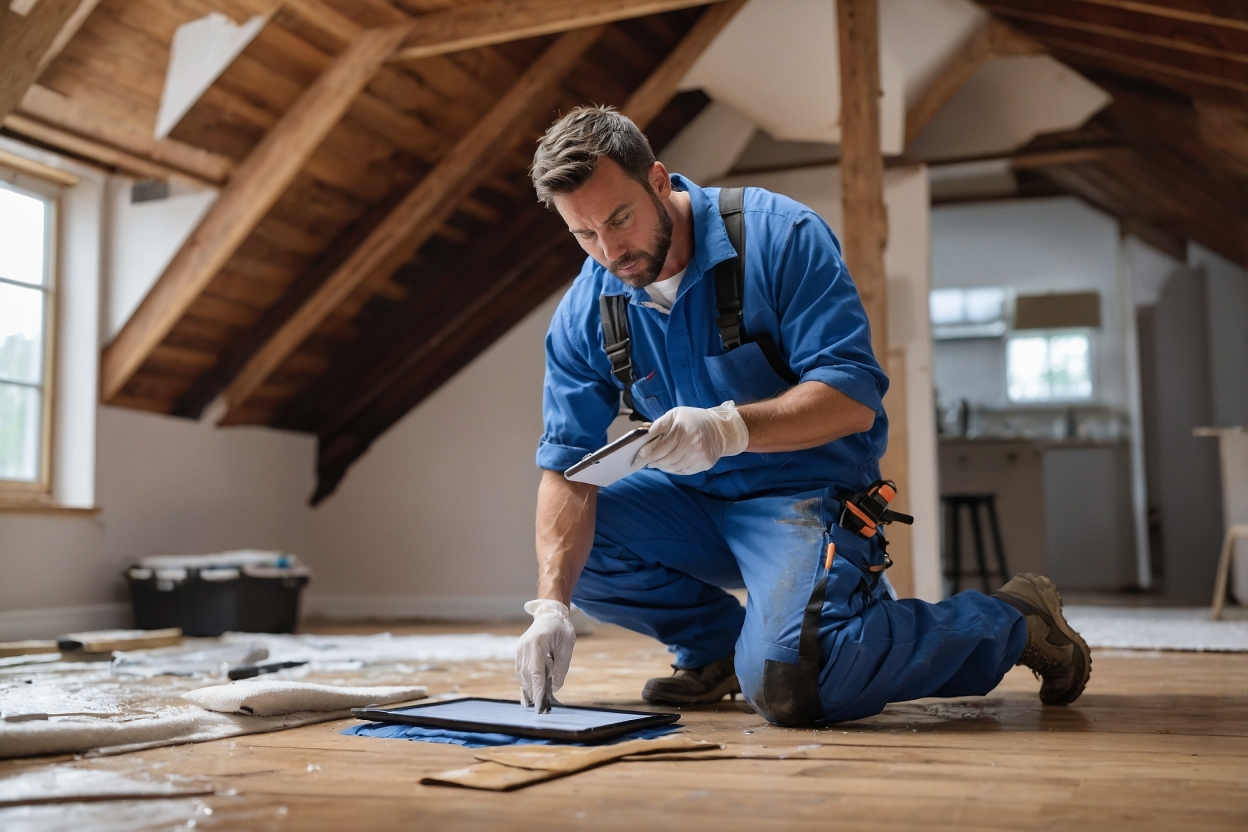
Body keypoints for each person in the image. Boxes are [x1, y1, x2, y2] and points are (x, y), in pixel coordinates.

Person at [513, 105, 1091, 725]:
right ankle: (717, 650)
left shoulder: (780, 237)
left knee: (795, 683)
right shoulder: (588, 307)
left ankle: (1012, 619)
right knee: (579, 548)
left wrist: (730, 428)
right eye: (584, 233)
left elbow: (852, 397)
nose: (609, 250)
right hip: (693, 501)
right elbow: (566, 469)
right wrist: (551, 607)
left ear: (658, 181)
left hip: (804, 496)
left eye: (619, 219)